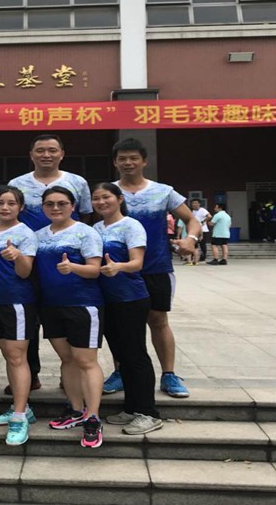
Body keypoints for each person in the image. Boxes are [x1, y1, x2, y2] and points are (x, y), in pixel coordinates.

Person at [112, 138, 200, 398]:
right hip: (120, 269)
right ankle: (121, 372)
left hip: (156, 267)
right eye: (122, 158)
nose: (128, 163)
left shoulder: (163, 191)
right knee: (121, 324)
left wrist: (190, 239)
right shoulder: (109, 192)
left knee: (158, 320)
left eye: (133, 158)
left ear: (144, 161)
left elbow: (192, 219)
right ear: (115, 162)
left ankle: (169, 374)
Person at [7, 133, 92, 394]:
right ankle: (30, 374)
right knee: (28, 319)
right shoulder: (17, 183)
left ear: (62, 154)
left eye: (52, 150)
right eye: (40, 150)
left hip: (67, 262)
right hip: (28, 259)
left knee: (66, 320)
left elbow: (86, 217)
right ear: (31, 155)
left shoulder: (77, 182)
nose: (46, 155)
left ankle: (71, 375)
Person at [36, 186, 104, 448]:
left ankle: (93, 417)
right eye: (50, 204)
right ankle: (76, 410)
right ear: (43, 207)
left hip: (83, 305)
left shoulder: (86, 232)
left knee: (86, 361)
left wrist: (72, 267)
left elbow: (95, 270)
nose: (56, 208)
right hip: (51, 305)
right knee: (67, 359)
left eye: (62, 203)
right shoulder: (38, 235)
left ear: (73, 206)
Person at [91, 182, 162, 435]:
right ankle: (132, 408)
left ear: (119, 199)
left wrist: (118, 267)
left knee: (135, 354)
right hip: (106, 299)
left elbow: (137, 263)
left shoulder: (131, 226)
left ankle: (148, 413)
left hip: (130, 298)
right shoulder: (96, 228)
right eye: (96, 198)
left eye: (106, 197)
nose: (101, 202)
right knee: (122, 355)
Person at [0, 186, 38, 446]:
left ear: (21, 207)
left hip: (17, 301)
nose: (5, 208)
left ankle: (19, 416)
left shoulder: (26, 233)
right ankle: (22, 406)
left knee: (17, 357)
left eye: (11, 203)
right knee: (9, 355)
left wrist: (17, 256)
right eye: (0, 203)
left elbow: (25, 272)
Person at [190, 199, 211, 263]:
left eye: (196, 203)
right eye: (193, 203)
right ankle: (194, 257)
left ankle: (203, 258)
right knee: (194, 244)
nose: (194, 204)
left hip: (203, 230)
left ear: (199, 204)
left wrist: (203, 221)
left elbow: (209, 216)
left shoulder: (202, 210)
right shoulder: (192, 211)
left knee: (202, 244)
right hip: (195, 230)